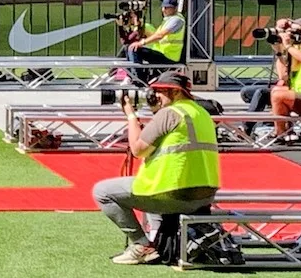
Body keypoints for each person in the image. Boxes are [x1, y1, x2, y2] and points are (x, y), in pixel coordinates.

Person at [93, 71, 221, 265]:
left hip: (174, 193)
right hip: (204, 196)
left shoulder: (170, 113)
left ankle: (141, 245)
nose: (155, 96)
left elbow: (138, 149)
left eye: (161, 91)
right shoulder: (200, 113)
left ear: (176, 93)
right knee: (150, 193)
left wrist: (131, 116)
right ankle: (156, 243)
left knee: (102, 191)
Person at [126, 0, 185, 82]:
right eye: (163, 7)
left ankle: (139, 79)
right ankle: (130, 76)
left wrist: (142, 42)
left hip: (169, 56)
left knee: (135, 49)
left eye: (168, 8)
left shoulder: (176, 20)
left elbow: (160, 35)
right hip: (161, 53)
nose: (164, 10)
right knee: (129, 47)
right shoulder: (167, 20)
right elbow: (156, 36)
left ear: (175, 8)